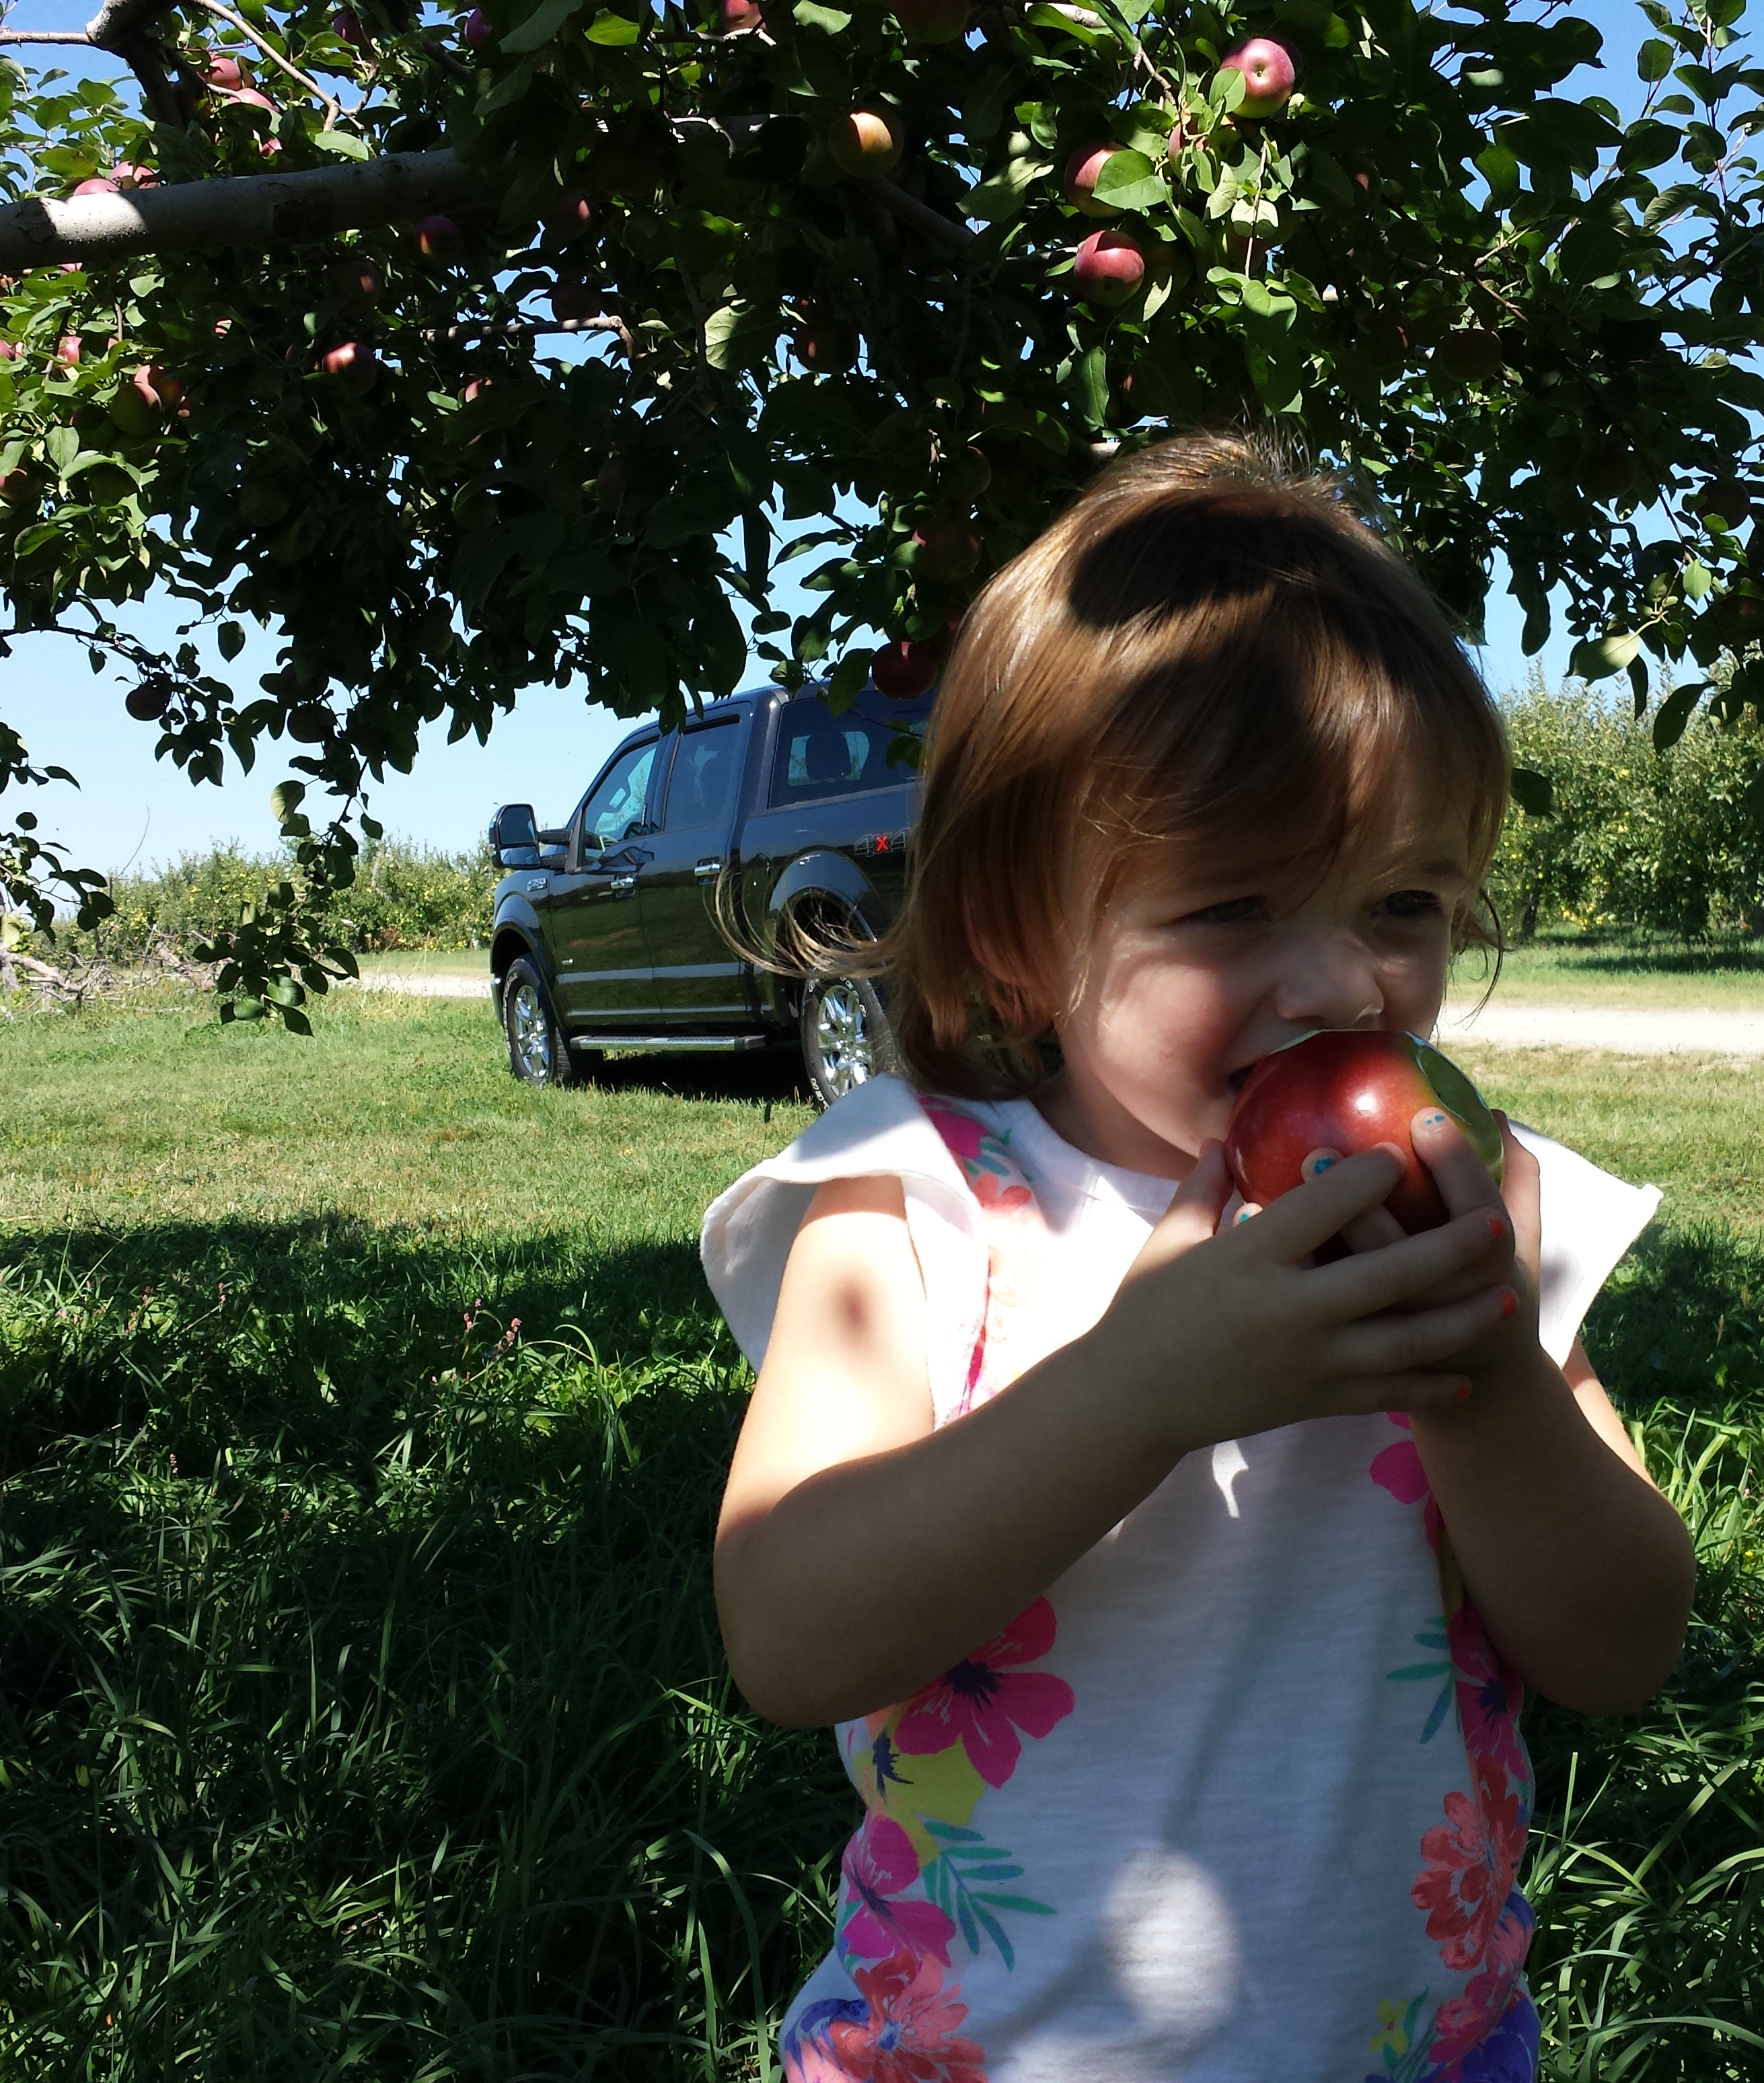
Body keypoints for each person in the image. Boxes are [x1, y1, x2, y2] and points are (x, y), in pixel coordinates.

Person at [703, 433, 1696, 2082]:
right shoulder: (913, 1201)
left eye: (1404, 908)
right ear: (1024, 932)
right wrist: (1142, 1384)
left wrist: (1483, 1374)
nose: (1340, 988)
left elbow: (1624, 1644)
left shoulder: (1480, 1199)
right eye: (1232, 912)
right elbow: (792, 1634)